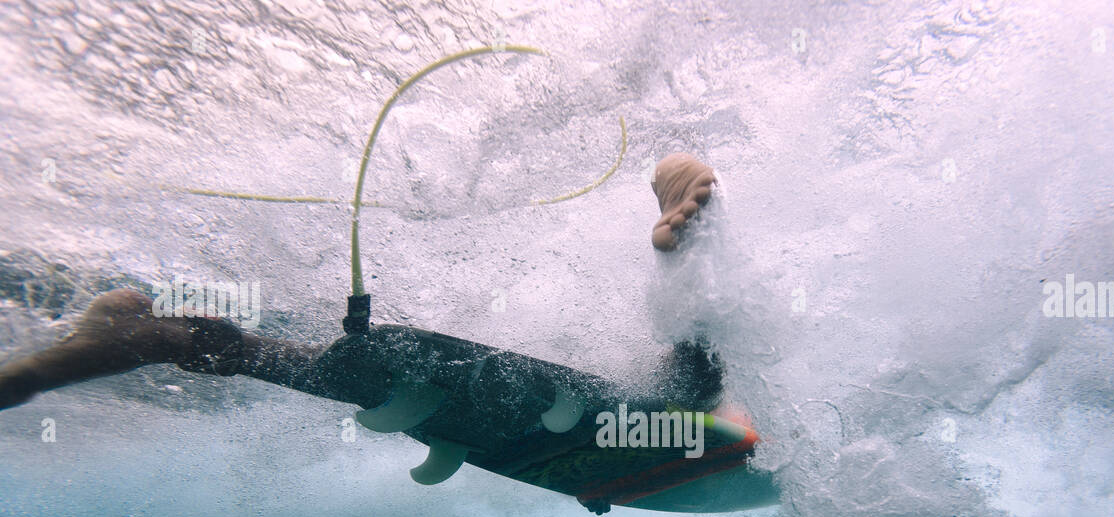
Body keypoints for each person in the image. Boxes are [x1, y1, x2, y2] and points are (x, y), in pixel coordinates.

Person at [0, 153, 723, 416]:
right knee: (683, 391)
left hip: (403, 362)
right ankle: (679, 255)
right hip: (417, 364)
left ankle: (127, 338)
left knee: (272, 356)